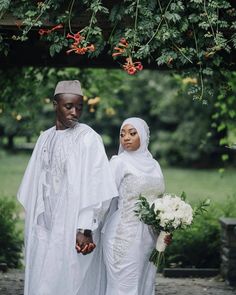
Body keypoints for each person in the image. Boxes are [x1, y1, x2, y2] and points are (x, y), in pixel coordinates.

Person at [17, 80, 118, 295]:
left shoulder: (89, 138)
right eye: (68, 106)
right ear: (55, 104)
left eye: (79, 107)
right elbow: (34, 183)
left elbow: (96, 185)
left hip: (74, 226)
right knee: (43, 279)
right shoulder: (45, 138)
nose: (75, 112)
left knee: (71, 282)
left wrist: (85, 228)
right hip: (45, 225)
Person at [102, 117, 166, 295]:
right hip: (124, 235)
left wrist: (167, 227)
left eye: (132, 133)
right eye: (122, 134)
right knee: (124, 287)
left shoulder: (154, 165)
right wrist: (87, 227)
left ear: (143, 136)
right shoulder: (118, 162)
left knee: (145, 285)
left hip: (151, 238)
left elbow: (160, 201)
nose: (126, 138)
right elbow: (104, 197)